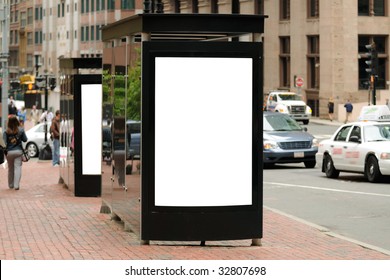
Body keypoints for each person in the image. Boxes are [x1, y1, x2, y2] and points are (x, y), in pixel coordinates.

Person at [2, 115, 28, 190]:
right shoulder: (21, 130)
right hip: (18, 152)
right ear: (17, 121)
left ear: (9, 123)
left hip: (9, 153)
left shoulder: (6, 132)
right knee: (18, 168)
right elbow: (25, 139)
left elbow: (4, 143)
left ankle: (10, 185)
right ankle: (16, 185)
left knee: (10, 169)